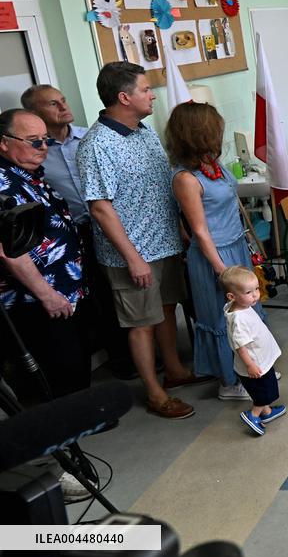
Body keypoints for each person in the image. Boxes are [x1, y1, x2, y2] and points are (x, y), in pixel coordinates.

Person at [76, 61, 205, 420]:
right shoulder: (97, 145)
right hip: (132, 253)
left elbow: (161, 186)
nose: (152, 95)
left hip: (164, 242)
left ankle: (175, 371)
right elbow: (100, 209)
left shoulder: (143, 131)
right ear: (124, 97)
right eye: (145, 90)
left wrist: (178, 228)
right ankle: (154, 392)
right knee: (141, 323)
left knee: (166, 309)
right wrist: (132, 257)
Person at [21, 84, 133, 380]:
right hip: (72, 236)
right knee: (92, 300)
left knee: (116, 293)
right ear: (35, 114)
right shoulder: (35, 157)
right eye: (52, 104)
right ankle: (115, 359)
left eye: (63, 99)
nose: (62, 106)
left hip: (107, 227)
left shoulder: (88, 139)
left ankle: (131, 354)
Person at [166, 101, 263, 401]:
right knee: (224, 319)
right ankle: (230, 381)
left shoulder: (213, 166)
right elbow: (200, 231)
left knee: (247, 311)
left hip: (235, 245)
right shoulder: (186, 178)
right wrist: (224, 272)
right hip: (214, 256)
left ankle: (252, 368)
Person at [0, 109, 88, 401]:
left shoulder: (29, 173)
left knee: (74, 364)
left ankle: (78, 422)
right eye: (33, 141)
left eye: (45, 140)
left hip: (64, 288)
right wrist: (46, 294)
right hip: (33, 299)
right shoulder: (2, 183)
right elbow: (8, 250)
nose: (43, 148)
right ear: (4, 142)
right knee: (54, 372)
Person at [220, 266, 285, 436]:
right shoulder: (239, 319)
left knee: (263, 388)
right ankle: (254, 414)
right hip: (255, 363)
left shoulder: (238, 306)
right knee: (265, 391)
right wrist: (250, 365)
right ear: (232, 296)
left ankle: (267, 412)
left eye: (256, 289)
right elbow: (240, 345)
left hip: (259, 359)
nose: (256, 294)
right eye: (249, 292)